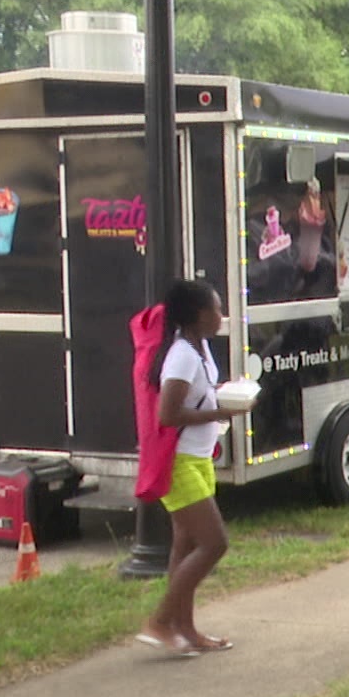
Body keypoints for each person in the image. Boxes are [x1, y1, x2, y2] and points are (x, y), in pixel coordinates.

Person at [136, 280, 254, 655]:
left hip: (199, 457)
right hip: (180, 463)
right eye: (217, 309)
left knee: (185, 546)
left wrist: (222, 396)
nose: (221, 316)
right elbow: (168, 414)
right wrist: (223, 412)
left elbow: (197, 395)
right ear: (199, 315)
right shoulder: (182, 355)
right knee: (215, 543)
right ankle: (160, 621)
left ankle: (185, 630)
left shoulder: (199, 347)